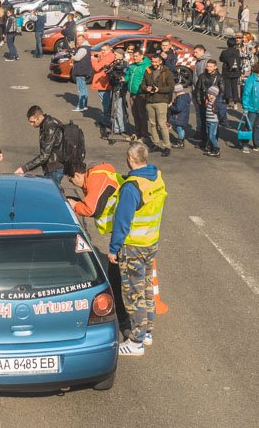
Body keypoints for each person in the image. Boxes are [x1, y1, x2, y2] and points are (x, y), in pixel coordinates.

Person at [108, 142, 166, 357]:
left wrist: (114, 248)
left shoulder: (132, 187)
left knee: (133, 294)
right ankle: (147, 331)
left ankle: (136, 342)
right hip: (151, 242)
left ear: (131, 160)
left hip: (133, 247)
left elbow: (122, 222)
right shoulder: (156, 177)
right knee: (147, 288)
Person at [16, 105, 66, 184]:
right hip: (52, 168)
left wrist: (25, 168)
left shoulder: (50, 128)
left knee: (50, 191)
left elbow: (44, 155)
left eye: (33, 122)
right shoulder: (46, 123)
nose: (31, 124)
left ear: (39, 117)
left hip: (54, 169)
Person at [68, 161, 121, 233]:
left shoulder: (96, 178)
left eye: (71, 181)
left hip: (127, 227)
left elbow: (92, 210)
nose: (73, 184)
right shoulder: (95, 177)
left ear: (77, 175)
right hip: (122, 225)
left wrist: (75, 205)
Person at [141, 53, 175, 157]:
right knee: (152, 124)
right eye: (152, 61)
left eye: (156, 62)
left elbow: (171, 87)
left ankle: (167, 146)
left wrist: (159, 89)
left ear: (160, 61)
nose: (154, 64)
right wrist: (146, 88)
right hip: (150, 101)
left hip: (161, 101)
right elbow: (142, 84)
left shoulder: (167, 72)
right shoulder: (148, 70)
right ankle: (155, 144)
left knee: (162, 124)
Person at [241, 63, 259, 154]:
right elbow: (246, 94)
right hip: (252, 107)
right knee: (248, 126)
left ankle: (257, 144)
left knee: (258, 126)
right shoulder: (251, 80)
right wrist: (245, 107)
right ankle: (244, 144)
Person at [125, 49, 151, 143]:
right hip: (132, 93)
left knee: (142, 115)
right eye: (134, 56)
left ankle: (144, 135)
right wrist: (124, 79)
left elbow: (149, 79)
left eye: (136, 56)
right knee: (135, 114)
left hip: (141, 94)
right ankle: (137, 133)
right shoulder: (133, 66)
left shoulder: (147, 66)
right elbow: (128, 76)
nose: (134, 58)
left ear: (141, 56)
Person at [219, 37, 242, 105]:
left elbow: (221, 59)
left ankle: (227, 101)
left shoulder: (224, 52)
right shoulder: (237, 51)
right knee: (234, 87)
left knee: (227, 87)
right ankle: (235, 102)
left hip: (227, 71)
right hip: (236, 71)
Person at [168, 84, 191, 148]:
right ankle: (181, 140)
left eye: (175, 93)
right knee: (181, 129)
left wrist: (171, 106)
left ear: (177, 92)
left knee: (179, 129)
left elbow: (178, 108)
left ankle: (180, 142)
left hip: (180, 117)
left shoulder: (181, 98)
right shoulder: (184, 97)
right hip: (182, 117)